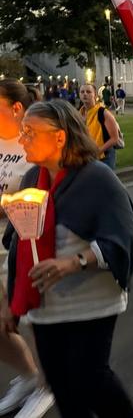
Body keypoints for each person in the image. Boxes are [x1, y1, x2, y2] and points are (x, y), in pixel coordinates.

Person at [8, 99, 133, 417]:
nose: (22, 138)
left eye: (31, 131)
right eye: (22, 131)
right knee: (62, 388)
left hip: (91, 302)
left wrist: (74, 262)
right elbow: (18, 244)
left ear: (60, 136)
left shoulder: (97, 179)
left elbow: (123, 238)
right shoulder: (31, 180)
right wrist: (9, 297)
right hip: (45, 308)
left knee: (90, 379)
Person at [0, 80, 55, 418]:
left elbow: (45, 198)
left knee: (28, 316)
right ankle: (29, 375)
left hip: (21, 243)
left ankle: (47, 386)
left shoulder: (33, 143)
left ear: (16, 108)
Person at [78, 84, 120, 170]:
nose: (85, 94)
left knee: (105, 182)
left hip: (105, 156)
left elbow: (115, 138)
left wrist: (98, 151)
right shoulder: (79, 114)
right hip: (87, 157)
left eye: (88, 92)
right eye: (82, 92)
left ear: (95, 95)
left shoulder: (103, 112)